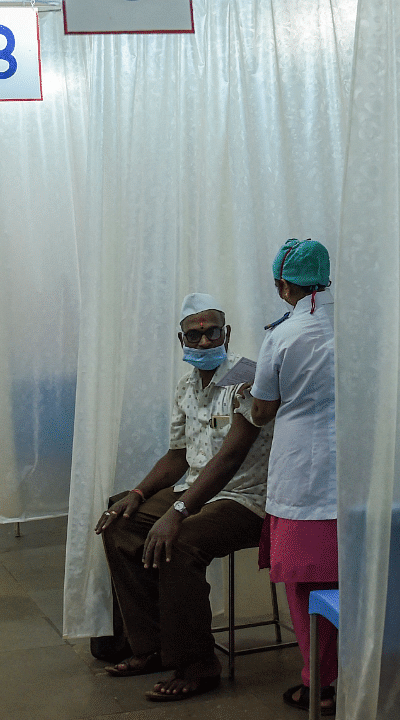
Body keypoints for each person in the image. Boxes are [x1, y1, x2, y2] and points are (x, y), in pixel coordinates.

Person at [95, 293, 274, 703]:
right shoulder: (185, 386)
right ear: (182, 342)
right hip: (193, 489)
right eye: (194, 336)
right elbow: (178, 456)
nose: (206, 341)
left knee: (180, 539)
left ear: (226, 332)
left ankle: (197, 664)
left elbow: (230, 458)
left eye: (213, 332)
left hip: (245, 498)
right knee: (121, 523)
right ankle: (153, 647)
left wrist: (178, 510)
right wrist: (139, 494)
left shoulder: (248, 380)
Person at [246, 238, 339, 715]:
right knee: (352, 580)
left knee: (305, 583)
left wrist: (249, 393)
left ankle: (318, 685)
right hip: (352, 474)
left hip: (301, 476)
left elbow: (262, 410)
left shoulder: (283, 335)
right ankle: (360, 674)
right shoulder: (351, 328)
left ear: (284, 285)